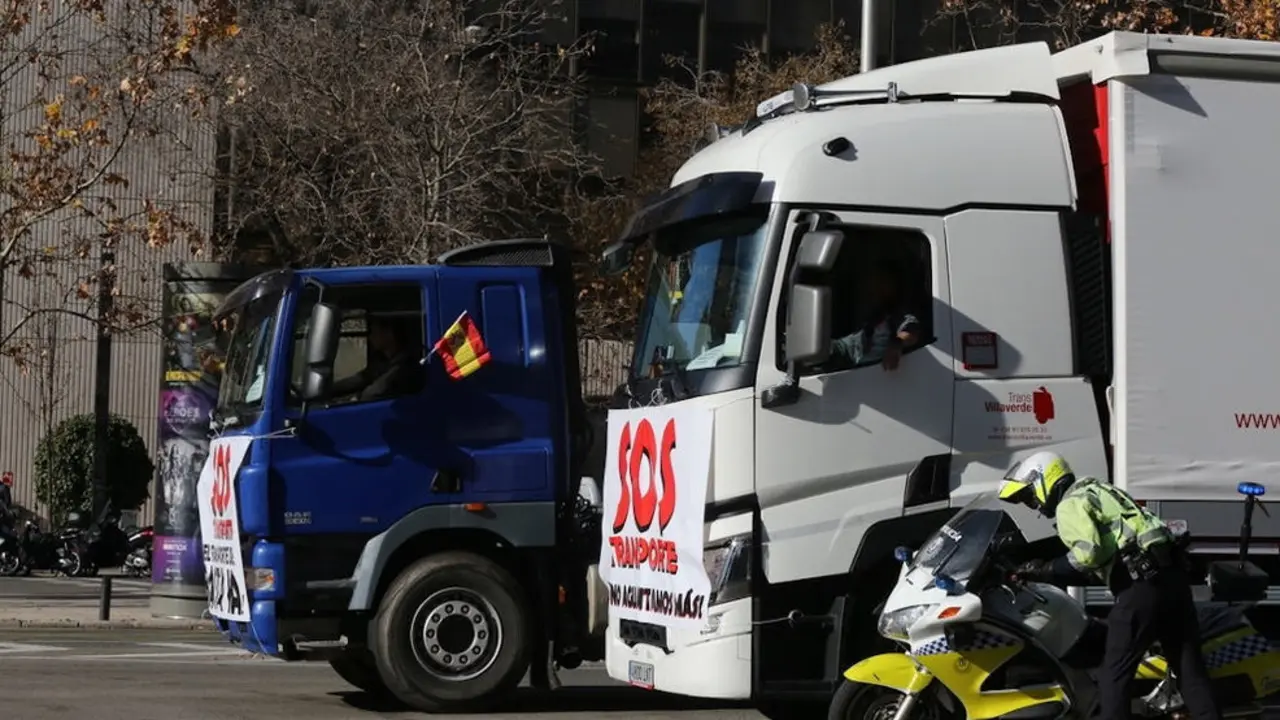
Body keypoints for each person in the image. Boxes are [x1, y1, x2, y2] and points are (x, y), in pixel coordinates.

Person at [997, 451, 1220, 720]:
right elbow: (1099, 561)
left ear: (1044, 480)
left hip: (1139, 590)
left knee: (1114, 674)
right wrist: (1046, 572)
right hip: (1172, 581)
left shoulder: (1069, 504)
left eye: (1030, 497)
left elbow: (1089, 554)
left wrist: (1045, 569)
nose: (1034, 506)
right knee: (1189, 671)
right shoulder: (1100, 490)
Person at [830, 261, 921, 371]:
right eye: (874, 283)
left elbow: (911, 331)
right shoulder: (875, 316)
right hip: (857, 367)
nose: (876, 288)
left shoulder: (899, 313)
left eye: (882, 282)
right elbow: (852, 344)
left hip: (879, 373)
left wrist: (896, 344)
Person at [330, 314, 420, 402]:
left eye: (374, 332)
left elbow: (372, 393)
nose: (370, 337)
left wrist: (354, 399)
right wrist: (329, 389)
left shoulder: (403, 366)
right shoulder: (383, 361)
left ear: (389, 333)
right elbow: (362, 378)